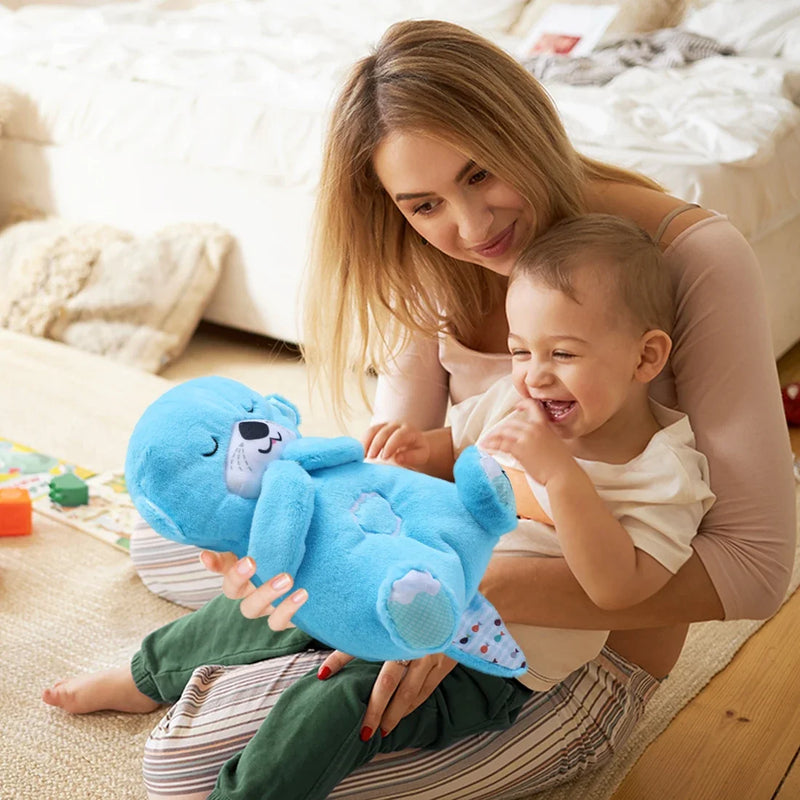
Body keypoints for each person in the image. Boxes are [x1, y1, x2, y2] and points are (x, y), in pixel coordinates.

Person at [43, 18, 795, 800]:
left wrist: (461, 590)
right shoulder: (434, 254)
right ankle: (234, 647)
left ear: (524, 127)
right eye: (424, 203)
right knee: (173, 533)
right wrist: (345, 536)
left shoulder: (682, 260)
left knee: (182, 764)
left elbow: (756, 571)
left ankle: (306, 653)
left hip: (565, 657)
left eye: (480, 175)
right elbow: (403, 457)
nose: (469, 230)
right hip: (441, 559)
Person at [367, 213, 716, 691]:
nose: (535, 376)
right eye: (520, 352)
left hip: (502, 665)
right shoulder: (514, 402)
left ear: (646, 357)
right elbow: (454, 449)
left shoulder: (662, 471)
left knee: (339, 703)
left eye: (564, 354)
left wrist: (558, 475)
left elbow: (619, 589)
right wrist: (413, 448)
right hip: (417, 582)